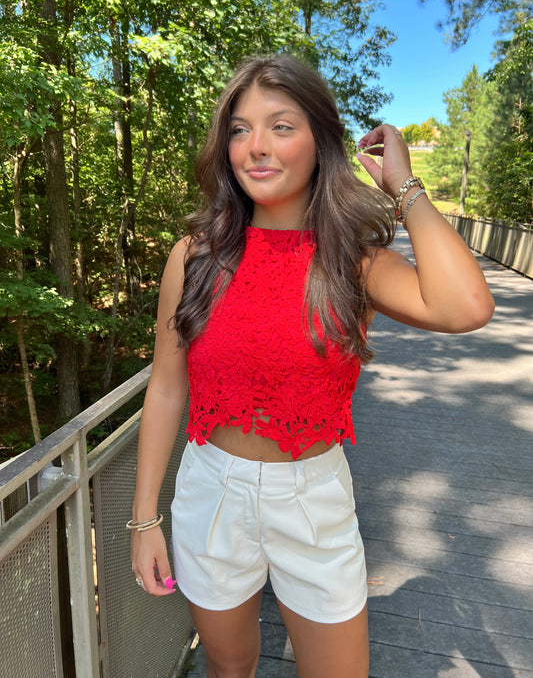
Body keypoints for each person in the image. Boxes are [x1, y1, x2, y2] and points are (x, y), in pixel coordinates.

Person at [129, 54, 494, 678]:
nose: (256, 147)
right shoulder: (195, 257)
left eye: (281, 126)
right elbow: (167, 389)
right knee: (230, 665)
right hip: (209, 491)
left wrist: (405, 190)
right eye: (240, 129)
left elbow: (465, 306)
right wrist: (143, 520)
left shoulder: (352, 261)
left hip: (313, 496)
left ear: (320, 142)